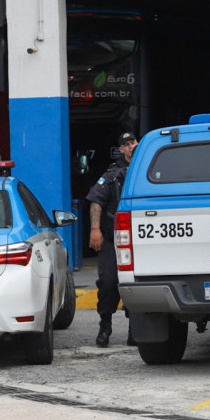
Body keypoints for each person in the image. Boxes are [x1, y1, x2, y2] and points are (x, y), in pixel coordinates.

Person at [86, 131, 139, 347]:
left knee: (136, 285)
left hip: (138, 242)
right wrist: (95, 229)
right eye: (127, 144)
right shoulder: (112, 175)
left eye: (134, 142)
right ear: (122, 149)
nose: (131, 146)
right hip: (111, 240)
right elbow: (96, 201)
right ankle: (105, 326)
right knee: (108, 283)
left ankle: (135, 330)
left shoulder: (147, 170)